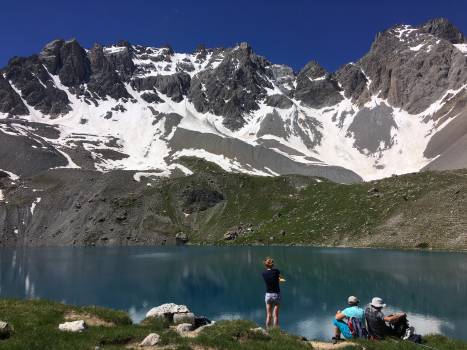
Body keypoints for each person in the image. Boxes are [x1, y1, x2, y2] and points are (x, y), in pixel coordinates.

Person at [261, 257, 284, 328]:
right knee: (275, 315)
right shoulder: (276, 271)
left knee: (268, 314)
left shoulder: (263, 273)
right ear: (272, 264)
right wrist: (280, 279)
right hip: (276, 294)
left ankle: (268, 330)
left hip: (268, 295)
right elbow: (280, 278)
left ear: (265, 265)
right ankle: (276, 331)